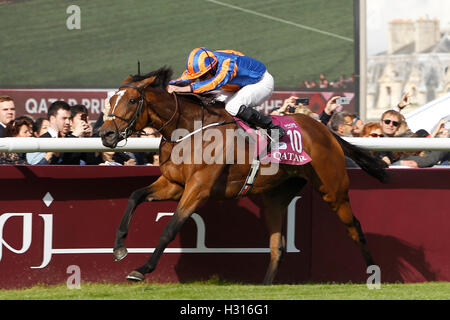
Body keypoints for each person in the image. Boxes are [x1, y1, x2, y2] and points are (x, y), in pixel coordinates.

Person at [167, 47, 286, 139]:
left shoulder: (227, 65)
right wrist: (168, 85)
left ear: (213, 67)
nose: (201, 79)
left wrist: (181, 89)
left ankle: (272, 128)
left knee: (232, 106)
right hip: (239, 85)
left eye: (203, 76)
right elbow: (186, 79)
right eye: (199, 77)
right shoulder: (208, 63)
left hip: (261, 82)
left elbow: (213, 83)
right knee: (213, 103)